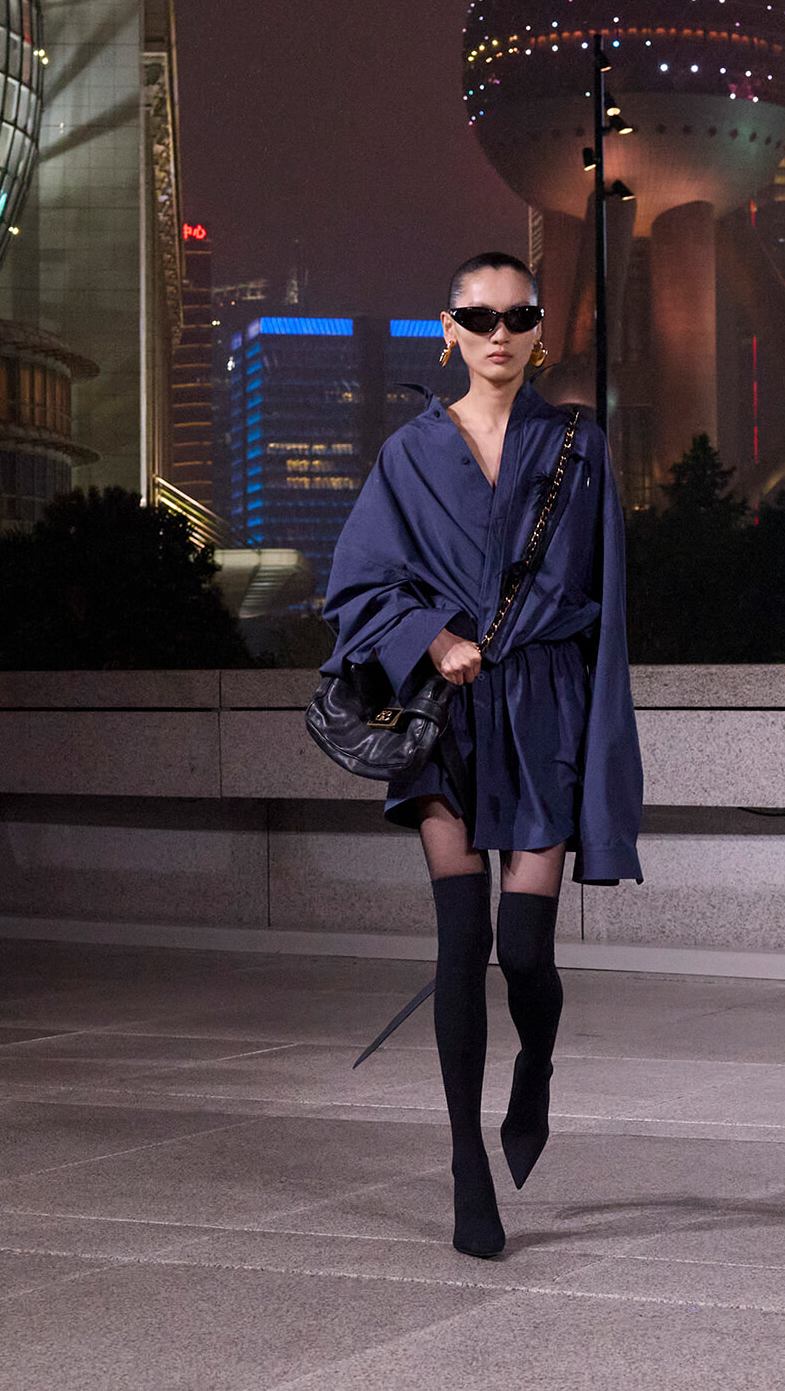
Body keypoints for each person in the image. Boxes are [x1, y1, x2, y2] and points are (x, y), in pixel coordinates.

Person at [322, 251, 643, 1258]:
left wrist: (600, 738)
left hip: (546, 705)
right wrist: (430, 634)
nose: (499, 331)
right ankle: (468, 1162)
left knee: (528, 953)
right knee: (461, 942)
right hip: (447, 711)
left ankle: (535, 1066)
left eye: (519, 314)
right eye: (480, 314)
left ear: (540, 329)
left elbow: (610, 606)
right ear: (448, 328)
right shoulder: (407, 455)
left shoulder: (579, 447)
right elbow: (358, 585)